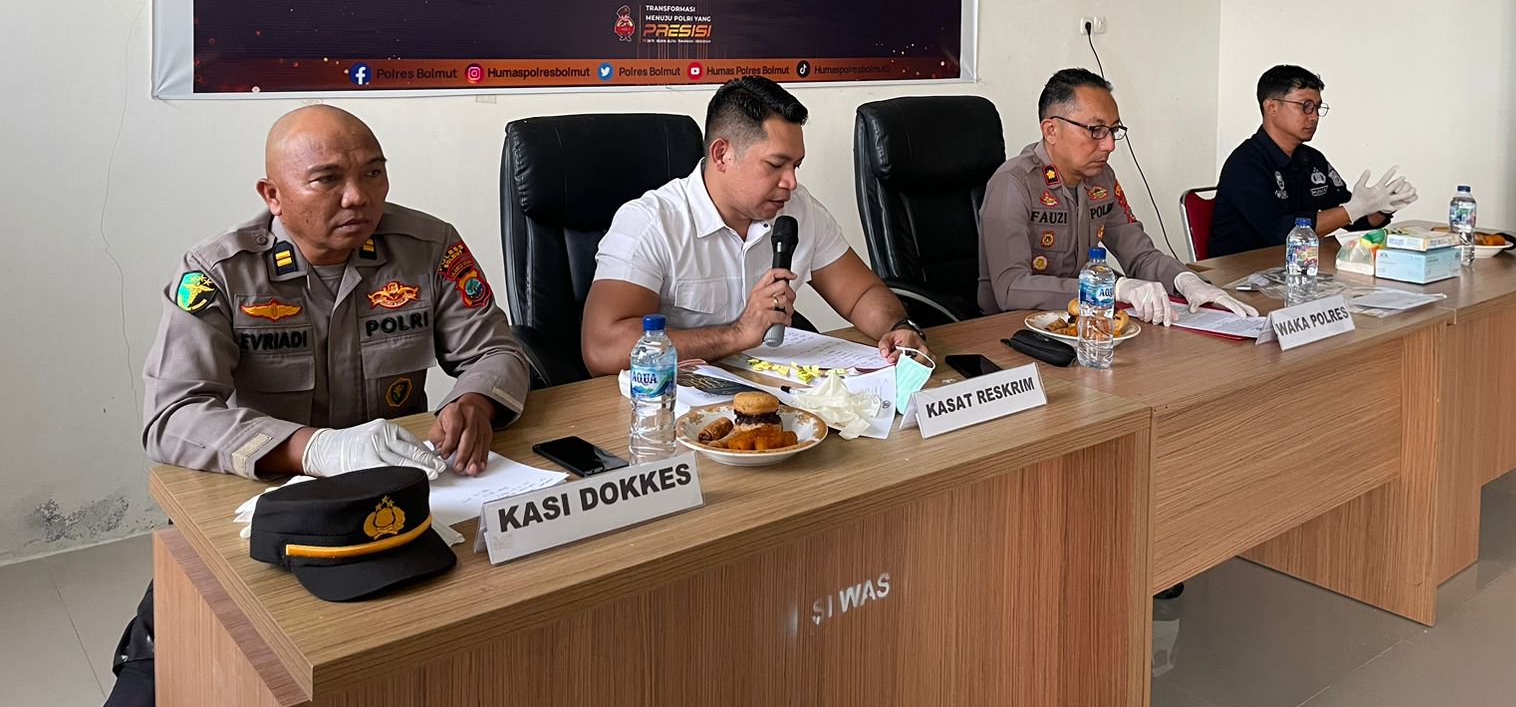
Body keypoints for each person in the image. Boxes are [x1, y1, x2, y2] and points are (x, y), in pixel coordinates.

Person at [107, 106, 531, 707]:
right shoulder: (220, 273)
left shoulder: (429, 247)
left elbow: (497, 349)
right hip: (263, 506)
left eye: (374, 173)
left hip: (399, 505)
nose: (358, 197)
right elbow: (172, 414)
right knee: (180, 670)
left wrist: (476, 400)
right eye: (328, 179)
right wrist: (316, 448)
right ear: (272, 196)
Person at [581, 76, 929, 374]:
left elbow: (861, 295)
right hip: (673, 404)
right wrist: (737, 333)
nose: (791, 182)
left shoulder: (799, 209)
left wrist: (898, 327)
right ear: (722, 155)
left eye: (796, 166)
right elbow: (602, 348)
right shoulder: (651, 223)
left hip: (775, 393)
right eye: (776, 165)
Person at [978, 68, 1255, 324]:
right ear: (1051, 130)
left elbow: (1139, 254)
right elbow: (1011, 288)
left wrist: (1186, 280)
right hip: (1010, 329)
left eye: (1113, 130)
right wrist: (1113, 287)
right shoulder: (1014, 183)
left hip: (1084, 322)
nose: (1109, 145)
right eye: (1095, 130)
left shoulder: (1102, 179)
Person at [1208, 65, 1416, 259]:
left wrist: (1381, 206)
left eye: (1317, 107)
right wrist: (1353, 210)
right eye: (1305, 106)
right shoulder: (1245, 164)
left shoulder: (1312, 160)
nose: (1314, 116)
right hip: (1239, 272)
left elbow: (1351, 219)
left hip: (1296, 265)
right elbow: (1278, 233)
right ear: (1271, 107)